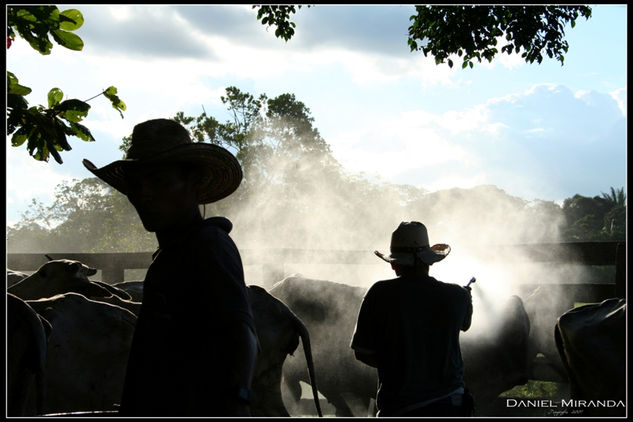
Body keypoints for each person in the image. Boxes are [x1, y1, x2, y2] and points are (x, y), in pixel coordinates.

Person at [82, 118, 258, 416]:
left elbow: (241, 335)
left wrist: (236, 400)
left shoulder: (207, 246)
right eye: (137, 184)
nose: (144, 193)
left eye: (160, 181)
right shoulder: (174, 254)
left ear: (193, 182)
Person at [351, 221, 473, 417]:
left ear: (394, 265)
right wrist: (467, 298)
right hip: (451, 405)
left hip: (399, 407)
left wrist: (403, 365)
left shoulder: (379, 294)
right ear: (430, 261)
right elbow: (465, 324)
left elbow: (362, 352)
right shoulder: (457, 295)